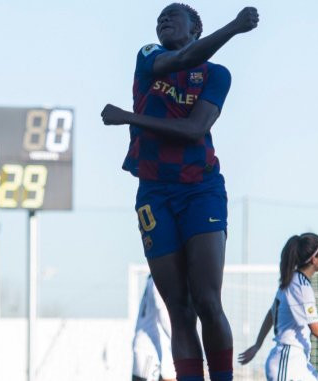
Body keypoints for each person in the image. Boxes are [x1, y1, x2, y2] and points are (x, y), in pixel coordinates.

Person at [101, 4, 259, 380]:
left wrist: (129, 117)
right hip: (154, 194)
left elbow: (194, 129)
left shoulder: (217, 74)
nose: (163, 20)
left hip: (200, 189)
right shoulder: (148, 56)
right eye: (159, 17)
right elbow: (184, 57)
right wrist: (233, 28)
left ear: (195, 29)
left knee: (207, 300)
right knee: (178, 308)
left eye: (174, 15)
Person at [237, 233, 318, 380]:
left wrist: (258, 344)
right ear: (314, 259)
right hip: (287, 362)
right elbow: (315, 328)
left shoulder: (292, 281)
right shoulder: (300, 286)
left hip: (297, 363)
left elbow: (271, 314)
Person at [133, 275, 176, 381]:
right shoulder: (159, 278)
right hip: (147, 347)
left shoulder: (154, 277)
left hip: (157, 346)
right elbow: (162, 312)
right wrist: (179, 338)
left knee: (170, 376)